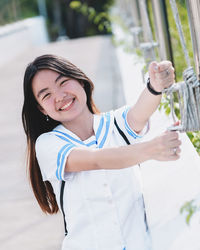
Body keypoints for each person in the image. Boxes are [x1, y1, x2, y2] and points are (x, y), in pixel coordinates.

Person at [22, 54, 181, 250]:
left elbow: (140, 112)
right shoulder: (48, 144)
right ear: (41, 109)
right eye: (46, 95)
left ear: (80, 81)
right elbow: (96, 160)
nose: (59, 96)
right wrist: (152, 149)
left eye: (63, 82)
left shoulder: (114, 123)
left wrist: (156, 85)